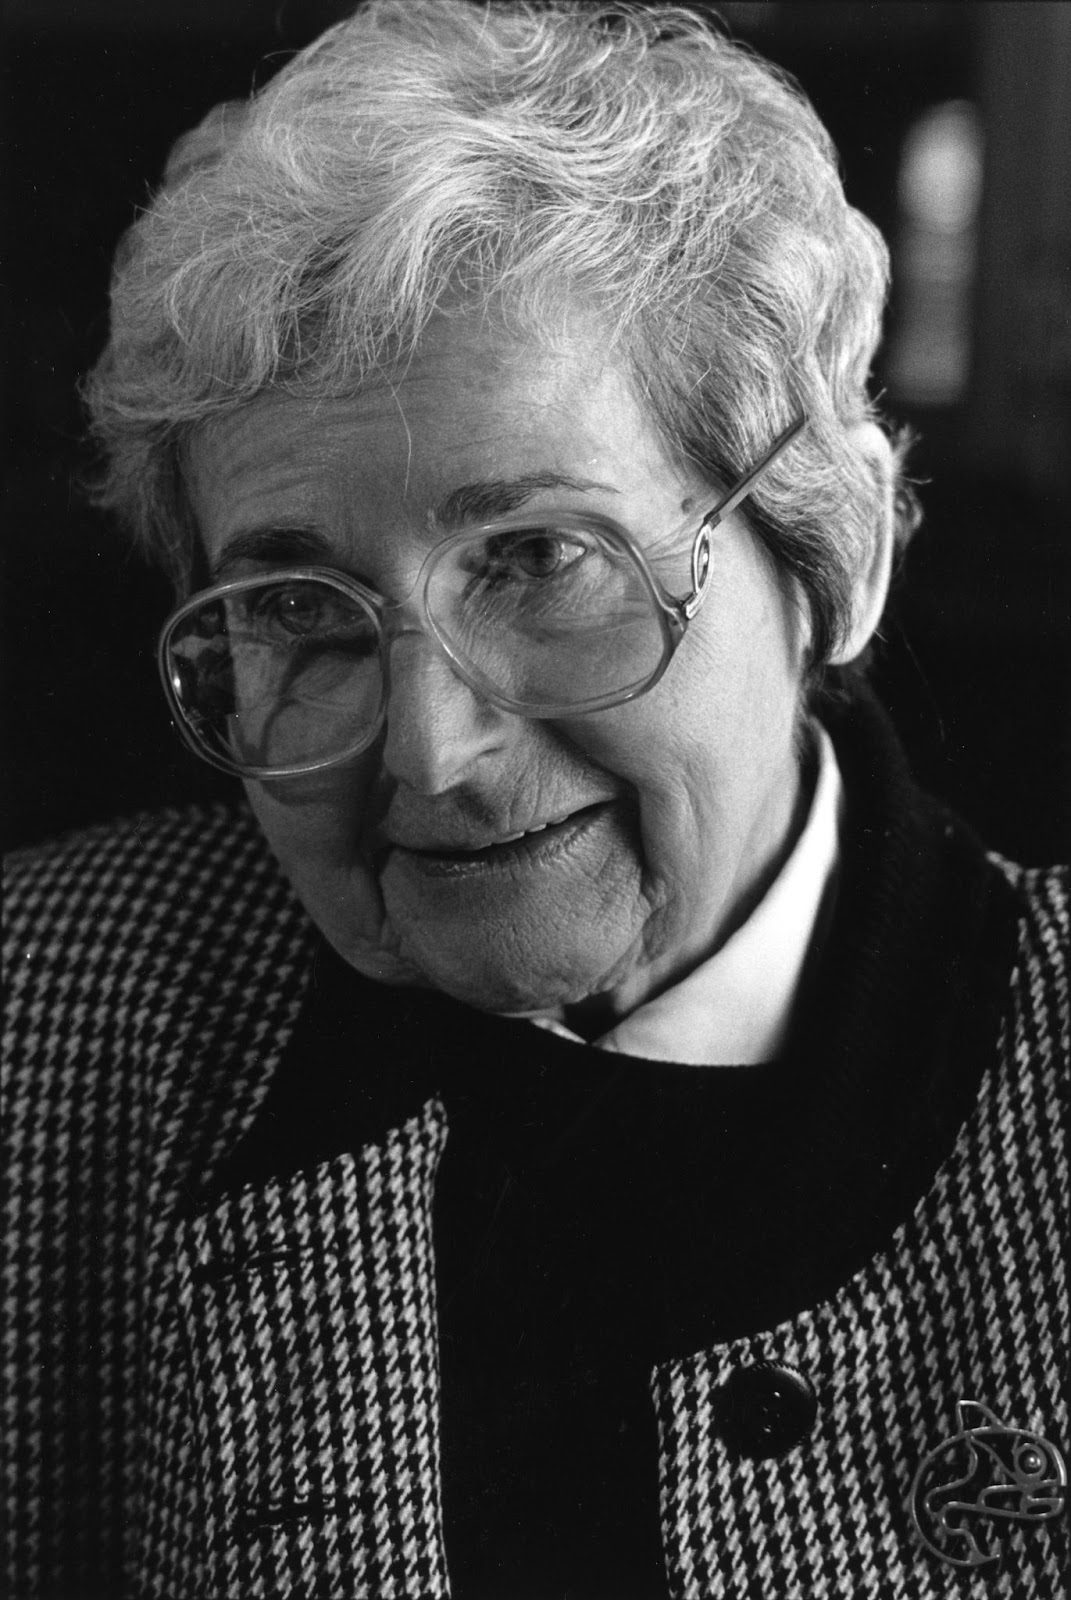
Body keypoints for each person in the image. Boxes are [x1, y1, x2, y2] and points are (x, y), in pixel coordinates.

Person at [4, 3, 1067, 1597]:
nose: (429, 753)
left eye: (540, 557)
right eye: (293, 606)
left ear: (825, 547)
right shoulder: (43, 1027)